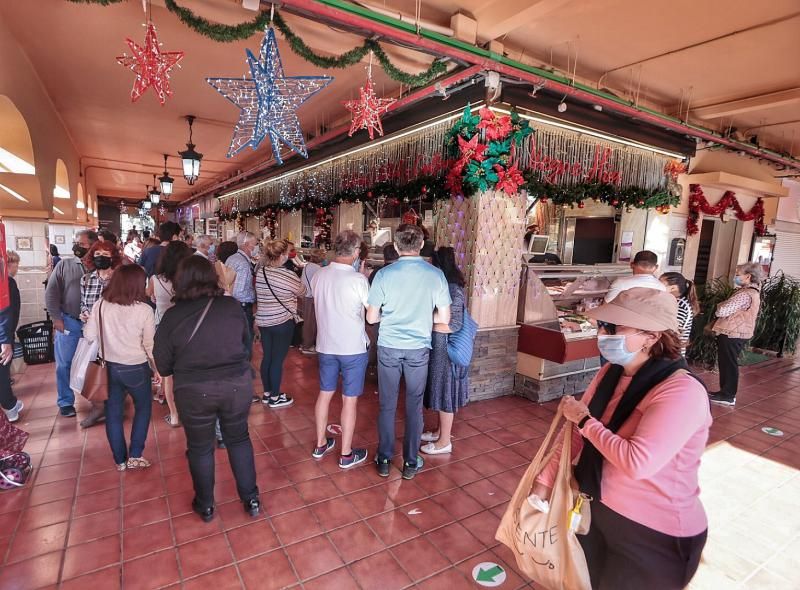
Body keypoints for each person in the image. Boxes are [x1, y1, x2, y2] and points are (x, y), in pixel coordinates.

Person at [533, 288, 710, 590]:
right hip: (597, 509)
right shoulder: (610, 374)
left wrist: (585, 420)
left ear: (652, 336)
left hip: (655, 534)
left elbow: (637, 462)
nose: (604, 333)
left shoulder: (681, 392)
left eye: (615, 327)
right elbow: (575, 434)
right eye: (603, 326)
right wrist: (545, 481)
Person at [154, 256, 260, 522]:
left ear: (181, 281)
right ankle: (251, 498)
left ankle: (206, 505)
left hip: (193, 390)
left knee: (201, 447)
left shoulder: (172, 316)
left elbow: (164, 365)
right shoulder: (231, 306)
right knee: (239, 439)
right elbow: (247, 348)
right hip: (236, 384)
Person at [367, 224, 451, 479]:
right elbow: (444, 317)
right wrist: (423, 312)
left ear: (396, 246)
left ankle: (384, 459)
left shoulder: (384, 275)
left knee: (387, 405)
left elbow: (371, 318)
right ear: (420, 246)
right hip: (418, 349)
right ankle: (410, 462)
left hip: (389, 347)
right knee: (414, 406)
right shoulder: (435, 275)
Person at [83, 265, 160, 471]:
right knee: (143, 409)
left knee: (113, 413)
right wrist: (157, 369)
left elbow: (89, 336)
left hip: (109, 367)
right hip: (136, 367)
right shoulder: (144, 310)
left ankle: (120, 461)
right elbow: (149, 345)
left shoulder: (101, 305)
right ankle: (136, 455)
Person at [310, 231, 369, 469]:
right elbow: (372, 313)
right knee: (349, 401)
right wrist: (362, 276)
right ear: (355, 253)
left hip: (325, 344)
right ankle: (346, 454)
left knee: (325, 394)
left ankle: (321, 443)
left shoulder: (319, 275)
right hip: (353, 347)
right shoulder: (358, 280)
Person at [421, 247, 470, 455]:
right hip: (440, 350)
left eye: (432, 263)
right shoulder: (447, 286)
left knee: (446, 395)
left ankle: (444, 442)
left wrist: (423, 322)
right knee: (442, 393)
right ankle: (440, 431)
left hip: (446, 353)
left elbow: (454, 324)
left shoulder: (451, 289)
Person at [45, 230, 98, 417]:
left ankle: (97, 398)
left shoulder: (100, 267)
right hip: (69, 322)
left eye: (81, 244)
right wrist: (56, 318)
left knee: (94, 364)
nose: (77, 246)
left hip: (95, 326)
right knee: (64, 364)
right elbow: (51, 293)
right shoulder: (65, 265)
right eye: (75, 242)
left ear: (93, 246)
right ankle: (66, 401)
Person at [78, 240, 124, 428]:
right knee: (90, 371)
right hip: (92, 332)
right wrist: (83, 313)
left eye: (105, 254)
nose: (101, 258)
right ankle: (97, 405)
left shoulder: (119, 279)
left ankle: (113, 407)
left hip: (114, 333)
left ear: (113, 257)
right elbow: (83, 303)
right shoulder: (86, 279)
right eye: (97, 254)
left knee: (114, 372)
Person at [147, 241, 193, 426]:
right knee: (188, 369)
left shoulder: (155, 279)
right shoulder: (189, 278)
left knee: (168, 374)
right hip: (187, 326)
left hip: (163, 328)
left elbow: (148, 294)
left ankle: (174, 415)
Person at [255, 239, 304, 408]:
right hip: (282, 321)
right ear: (283, 255)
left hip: (263, 320)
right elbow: (302, 291)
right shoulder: (288, 274)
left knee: (267, 357)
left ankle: (267, 393)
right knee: (277, 359)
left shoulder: (261, 272)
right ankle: (276, 397)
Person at [708, 263, 764, 406]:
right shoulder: (753, 292)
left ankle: (728, 394)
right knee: (728, 362)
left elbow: (722, 311)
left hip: (732, 333)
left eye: (738, 274)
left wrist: (720, 306)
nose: (736, 277)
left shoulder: (745, 294)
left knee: (728, 363)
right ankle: (725, 392)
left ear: (748, 276)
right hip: (737, 332)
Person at [226, 231, 258, 360]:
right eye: (254, 245)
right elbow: (239, 291)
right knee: (246, 341)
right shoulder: (243, 264)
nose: (256, 248)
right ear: (246, 245)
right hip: (242, 307)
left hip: (231, 306)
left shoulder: (232, 258)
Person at [0, 251, 22, 423]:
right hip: (3, 337)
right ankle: (10, 407)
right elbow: (11, 313)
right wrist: (7, 338)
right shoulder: (7, 283)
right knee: (2, 373)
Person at [660, 272, 700, 357]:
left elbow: (670, 329)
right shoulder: (674, 301)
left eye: (660, 284)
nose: (657, 286)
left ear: (673, 288)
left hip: (672, 352)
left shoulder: (680, 304)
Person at [299, 249, 324, 355]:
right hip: (311, 298)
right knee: (311, 323)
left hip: (305, 296)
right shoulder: (318, 269)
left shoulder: (308, 266)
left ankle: (305, 343)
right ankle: (307, 346)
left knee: (307, 322)